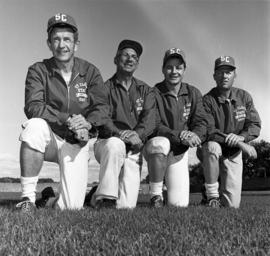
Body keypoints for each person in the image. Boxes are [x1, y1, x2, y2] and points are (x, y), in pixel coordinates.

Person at [16, 13, 109, 212]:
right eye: (56, 39)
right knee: (34, 126)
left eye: (67, 39)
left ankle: (49, 198)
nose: (62, 45)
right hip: (50, 137)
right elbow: (33, 106)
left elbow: (102, 107)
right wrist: (68, 120)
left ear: (76, 44)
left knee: (71, 207)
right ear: (49, 43)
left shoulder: (90, 71)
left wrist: (87, 124)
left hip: (77, 139)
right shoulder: (38, 70)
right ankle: (27, 199)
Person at [86, 39, 156, 209]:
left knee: (126, 206)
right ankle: (107, 200)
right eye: (125, 55)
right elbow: (102, 118)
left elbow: (150, 119)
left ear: (137, 63)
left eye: (134, 57)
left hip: (135, 146)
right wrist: (121, 134)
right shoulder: (104, 88)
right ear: (116, 59)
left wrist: (137, 135)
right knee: (116, 145)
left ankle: (94, 195)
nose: (130, 59)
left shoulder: (146, 90)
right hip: (108, 143)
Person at [144, 48, 208, 208]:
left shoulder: (193, 92)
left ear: (184, 69)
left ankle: (168, 191)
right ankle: (156, 196)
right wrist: (180, 135)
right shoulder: (153, 92)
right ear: (163, 69)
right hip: (156, 149)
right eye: (169, 67)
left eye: (178, 67)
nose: (174, 71)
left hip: (179, 151)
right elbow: (155, 125)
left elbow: (201, 121)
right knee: (160, 142)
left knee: (179, 204)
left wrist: (194, 135)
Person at [198, 56, 261, 208]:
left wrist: (242, 137)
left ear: (235, 75)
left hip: (233, 152)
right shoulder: (207, 100)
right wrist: (242, 143)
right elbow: (209, 130)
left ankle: (212, 188)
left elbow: (254, 124)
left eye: (228, 72)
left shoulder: (244, 97)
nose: (224, 76)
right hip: (214, 149)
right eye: (220, 72)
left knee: (232, 205)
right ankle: (211, 196)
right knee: (211, 146)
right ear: (214, 76)